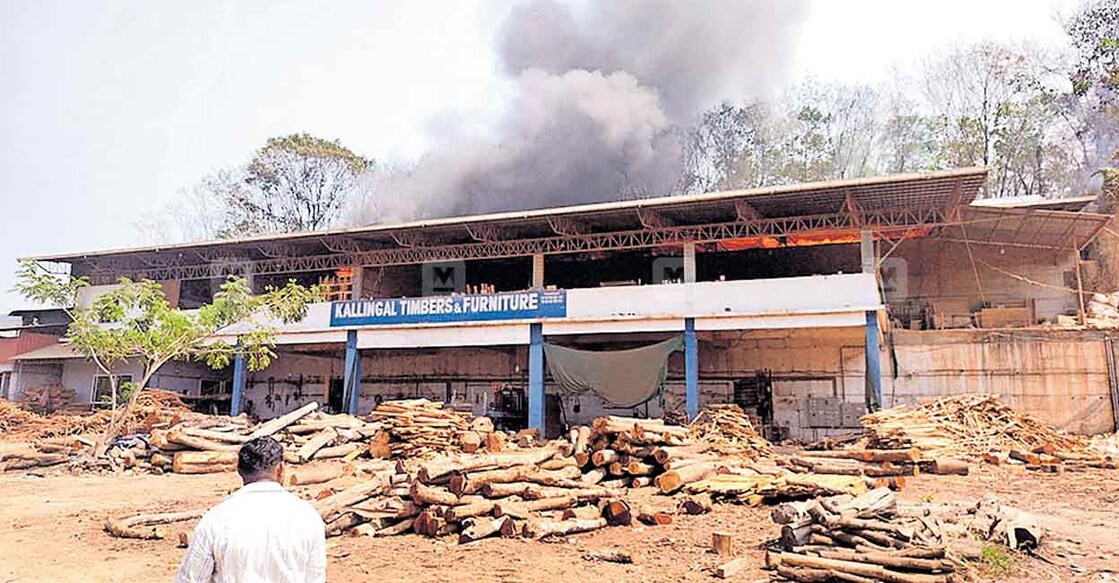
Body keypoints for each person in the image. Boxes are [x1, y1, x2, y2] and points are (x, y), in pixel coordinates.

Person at [175, 436, 326, 583]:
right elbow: (315, 577)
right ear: (280, 469)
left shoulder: (216, 519)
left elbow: (191, 579)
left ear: (239, 470)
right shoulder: (307, 517)